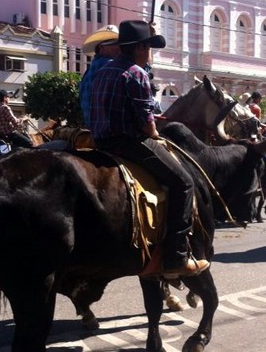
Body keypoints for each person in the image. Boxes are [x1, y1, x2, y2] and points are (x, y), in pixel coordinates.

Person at [90, 20, 209, 278]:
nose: (150, 52)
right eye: (149, 47)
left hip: (99, 141)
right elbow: (147, 125)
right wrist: (156, 133)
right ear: (141, 47)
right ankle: (176, 256)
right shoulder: (136, 73)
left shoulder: (102, 71)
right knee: (184, 182)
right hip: (128, 143)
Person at [79, 25, 121, 128]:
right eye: (114, 44)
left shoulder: (90, 69)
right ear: (102, 47)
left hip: (91, 126)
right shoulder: (109, 65)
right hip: (108, 129)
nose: (119, 48)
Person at [247, 90, 266, 209]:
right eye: (260, 98)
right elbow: (256, 126)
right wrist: (264, 129)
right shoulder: (257, 108)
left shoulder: (247, 107)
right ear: (258, 99)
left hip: (248, 136)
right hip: (254, 138)